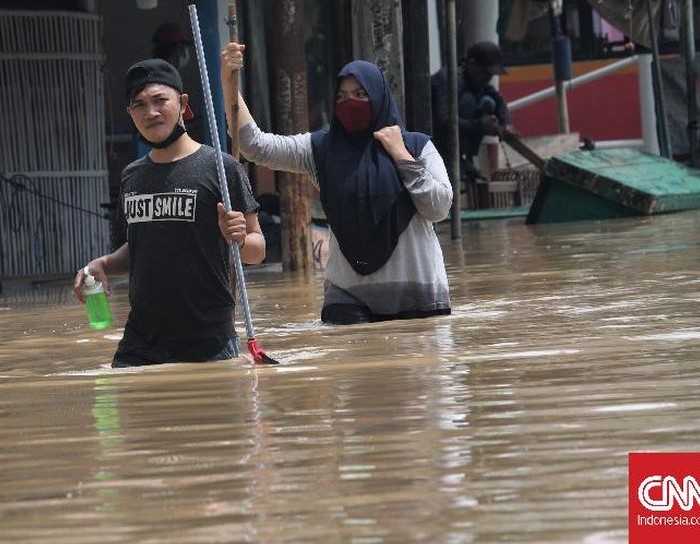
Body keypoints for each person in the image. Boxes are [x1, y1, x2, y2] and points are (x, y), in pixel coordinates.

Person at [221, 43, 452, 325]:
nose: (350, 103)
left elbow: (439, 208)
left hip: (417, 295)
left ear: (379, 98)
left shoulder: (417, 146)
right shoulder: (321, 150)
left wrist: (401, 156)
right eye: (341, 96)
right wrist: (229, 79)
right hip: (347, 297)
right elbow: (255, 147)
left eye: (360, 94)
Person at [74, 58, 265, 367]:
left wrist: (240, 239)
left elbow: (258, 252)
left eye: (160, 100)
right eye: (139, 105)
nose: (151, 112)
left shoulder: (221, 168)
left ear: (182, 102)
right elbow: (141, 249)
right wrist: (102, 265)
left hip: (207, 340)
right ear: (130, 115)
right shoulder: (132, 175)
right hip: (140, 341)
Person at [430, 40, 516, 183]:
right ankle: (454, 161)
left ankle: (463, 159)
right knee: (469, 101)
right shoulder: (449, 80)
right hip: (434, 141)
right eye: (485, 73)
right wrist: (479, 126)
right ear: (472, 65)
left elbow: (498, 100)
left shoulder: (476, 81)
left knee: (488, 102)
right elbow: (443, 122)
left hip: (455, 142)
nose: (488, 79)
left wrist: (506, 123)